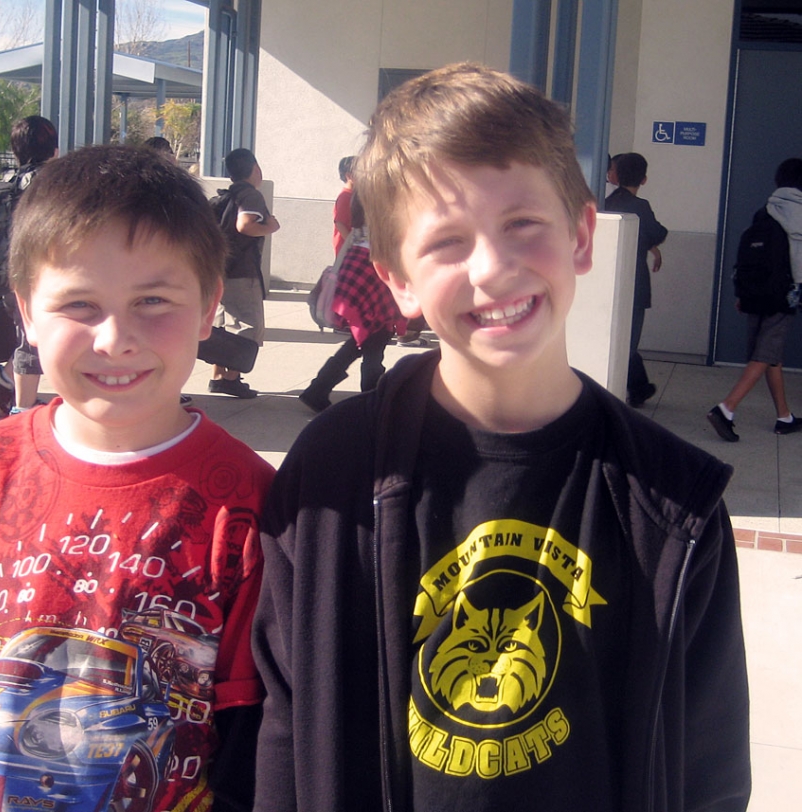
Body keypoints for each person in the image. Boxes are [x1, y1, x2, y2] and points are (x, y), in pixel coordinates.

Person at [252, 63, 750, 812]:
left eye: (523, 224)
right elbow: (286, 729)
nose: (493, 268)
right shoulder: (330, 478)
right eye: (447, 243)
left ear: (582, 235)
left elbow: (709, 770)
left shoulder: (673, 503)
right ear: (398, 281)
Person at [0, 145, 275, 812]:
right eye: (79, 304)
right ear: (26, 310)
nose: (115, 338)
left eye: (153, 300)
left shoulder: (247, 502)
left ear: (209, 306)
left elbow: (247, 735)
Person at [708, 157, 802, 441]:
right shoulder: (799, 212)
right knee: (765, 354)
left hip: (755, 293)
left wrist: (742, 293)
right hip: (783, 294)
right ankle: (726, 409)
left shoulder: (767, 210)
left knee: (770, 355)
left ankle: (784, 416)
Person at [299, 193, 406, 411]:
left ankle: (319, 389)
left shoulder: (360, 225)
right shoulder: (384, 227)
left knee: (363, 341)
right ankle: (371, 397)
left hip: (356, 278)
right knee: (374, 340)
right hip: (373, 279)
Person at [0, 115, 59, 417]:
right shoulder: (55, 181)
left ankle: (16, 393)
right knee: (34, 340)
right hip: (42, 272)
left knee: (29, 336)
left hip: (9, 271)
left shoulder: (7, 181)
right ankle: (22, 408)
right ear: (53, 148)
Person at [210, 147, 280, 398]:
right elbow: (246, 225)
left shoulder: (225, 196)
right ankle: (231, 378)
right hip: (242, 271)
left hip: (219, 270)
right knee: (247, 325)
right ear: (255, 169)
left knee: (221, 325)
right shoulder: (250, 195)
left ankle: (218, 376)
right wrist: (271, 225)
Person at [604, 152, 668, 407]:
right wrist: (652, 244)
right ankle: (637, 388)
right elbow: (657, 232)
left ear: (614, 175)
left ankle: (639, 387)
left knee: (618, 340)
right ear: (644, 179)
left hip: (609, 281)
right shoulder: (640, 207)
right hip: (635, 284)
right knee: (628, 341)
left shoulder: (605, 202)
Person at [333, 155, 355, 256]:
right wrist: (352, 245)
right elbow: (339, 224)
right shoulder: (345, 197)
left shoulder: (354, 195)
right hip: (346, 251)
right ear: (349, 176)